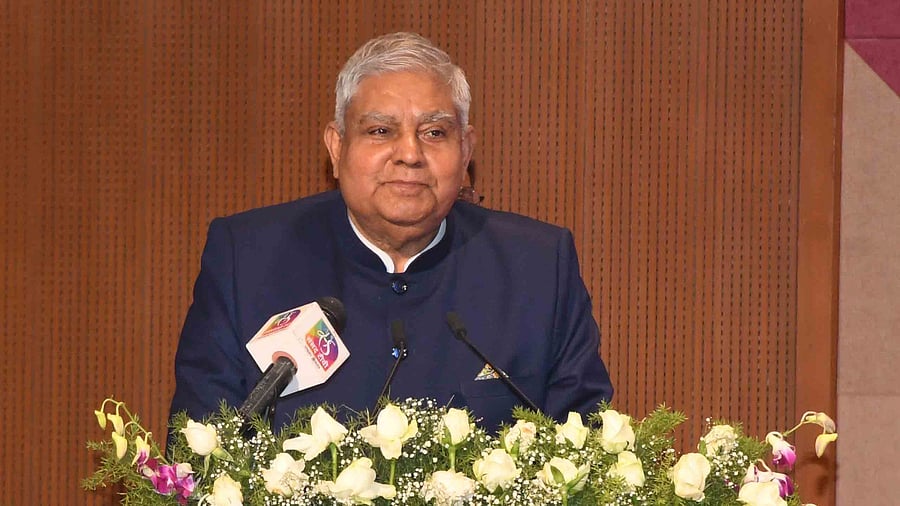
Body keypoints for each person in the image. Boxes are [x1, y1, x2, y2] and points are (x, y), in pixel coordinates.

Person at [169, 32, 613, 432]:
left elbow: (588, 457)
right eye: (381, 131)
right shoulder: (246, 259)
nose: (409, 154)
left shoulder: (537, 267)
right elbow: (197, 451)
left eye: (435, 132)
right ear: (337, 147)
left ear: (466, 151)